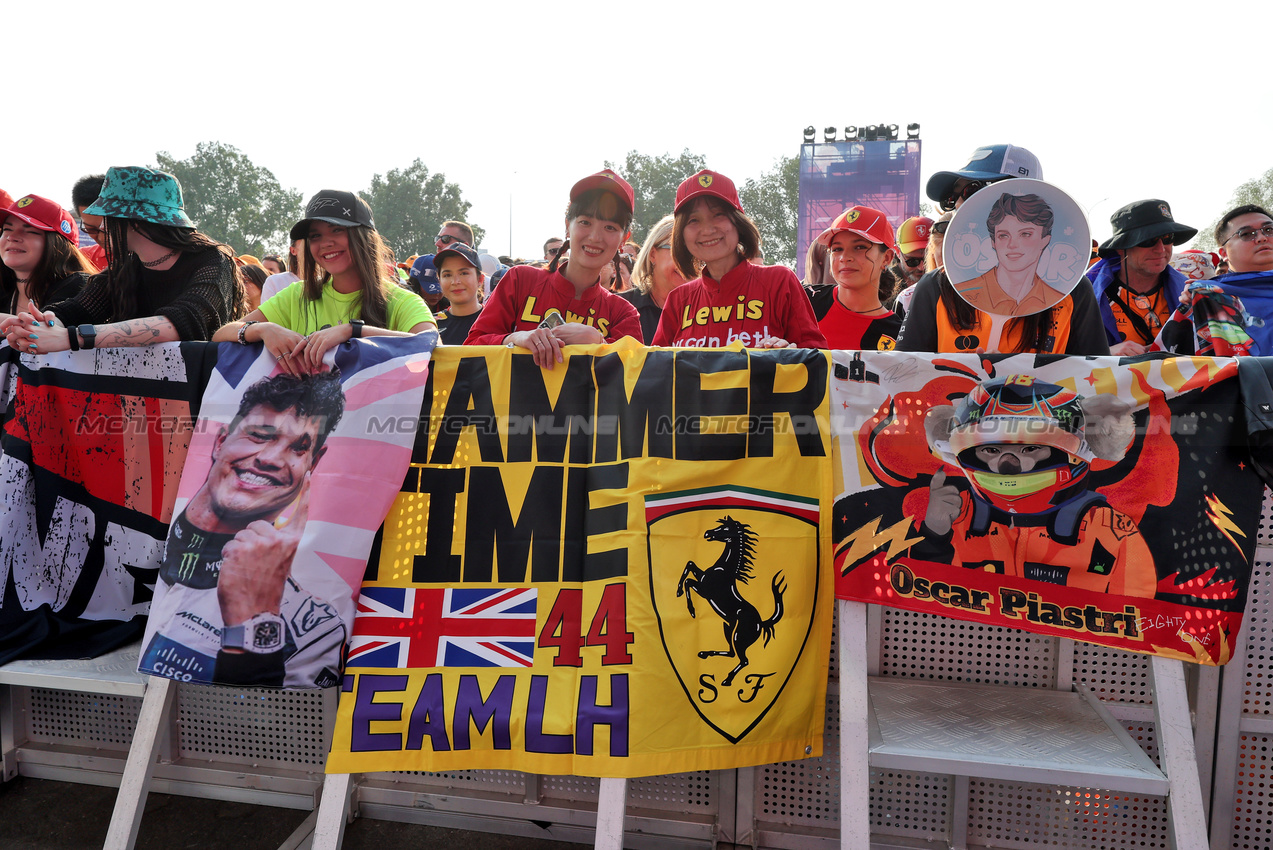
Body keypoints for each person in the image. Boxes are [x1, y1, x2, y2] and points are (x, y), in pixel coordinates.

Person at [140, 371, 348, 688]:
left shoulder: (315, 628)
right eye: (259, 435)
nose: (270, 459)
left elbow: (279, 727)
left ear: (313, 465)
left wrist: (255, 623)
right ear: (221, 440)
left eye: (298, 448)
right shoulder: (137, 539)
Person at [1, 166, 243, 354]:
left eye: (107, 216)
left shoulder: (213, 260)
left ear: (135, 220)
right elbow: (80, 308)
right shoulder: (125, 268)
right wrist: (47, 321)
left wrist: (71, 337)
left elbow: (186, 320)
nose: (102, 226)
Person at [897, 147, 1108, 355]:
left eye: (972, 190)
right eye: (953, 197)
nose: (959, 204)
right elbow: (903, 377)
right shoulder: (935, 287)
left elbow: (1094, 382)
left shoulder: (1073, 291)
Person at [213, 190, 435, 374]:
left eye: (337, 230)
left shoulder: (403, 301)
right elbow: (221, 335)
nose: (325, 243)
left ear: (364, 236)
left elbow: (432, 345)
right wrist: (263, 329)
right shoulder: (298, 294)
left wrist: (353, 331)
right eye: (315, 236)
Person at [465, 169, 642, 368]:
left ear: (624, 239)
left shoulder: (623, 313)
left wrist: (601, 343)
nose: (595, 237)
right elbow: (471, 349)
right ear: (567, 226)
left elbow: (635, 373)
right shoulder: (519, 280)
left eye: (610, 227)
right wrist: (515, 338)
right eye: (585, 222)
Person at [651, 170, 826, 349]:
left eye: (718, 214)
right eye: (693, 220)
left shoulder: (780, 281)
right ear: (681, 233)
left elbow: (817, 356)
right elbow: (656, 368)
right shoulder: (678, 299)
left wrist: (790, 353)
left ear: (738, 223)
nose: (707, 229)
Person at [1087, 200, 1195, 355]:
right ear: (1120, 248)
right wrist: (1105, 354)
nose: (1160, 249)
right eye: (1148, 240)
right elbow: (1062, 355)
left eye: (1167, 237)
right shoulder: (1085, 295)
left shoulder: (1191, 292)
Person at [806, 206, 903, 350]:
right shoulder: (805, 301)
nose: (845, 258)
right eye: (837, 249)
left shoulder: (897, 335)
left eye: (859, 247)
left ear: (887, 258)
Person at [953, 193, 1058, 317]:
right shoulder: (956, 293)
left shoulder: (1061, 299)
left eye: (1025, 234)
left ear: (1045, 240)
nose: (1012, 245)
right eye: (1003, 235)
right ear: (993, 242)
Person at [0, 195, 93, 328]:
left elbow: (41, 331)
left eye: (29, 231)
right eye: (7, 229)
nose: (11, 237)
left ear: (58, 244)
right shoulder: (5, 285)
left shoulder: (79, 286)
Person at [621, 214, 686, 343]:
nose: (688, 261)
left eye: (694, 252)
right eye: (679, 249)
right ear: (652, 254)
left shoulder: (712, 311)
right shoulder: (621, 308)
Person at [433, 241, 485, 345]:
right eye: (447, 275)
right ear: (439, 281)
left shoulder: (495, 320)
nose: (455, 282)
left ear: (480, 279)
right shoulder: (431, 325)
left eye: (464, 273)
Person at [1216, 205, 1273, 274]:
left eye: (1269, 229)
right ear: (1224, 253)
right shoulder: (1209, 285)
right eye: (1246, 234)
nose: (1262, 238)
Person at [70, 173, 108, 271]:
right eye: (91, 230)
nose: (102, 238)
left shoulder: (148, 258)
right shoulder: (82, 259)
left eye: (108, 229)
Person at [894, 216, 933, 288]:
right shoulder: (883, 285)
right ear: (898, 252)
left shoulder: (948, 283)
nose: (921, 268)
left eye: (928, 260)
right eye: (913, 261)